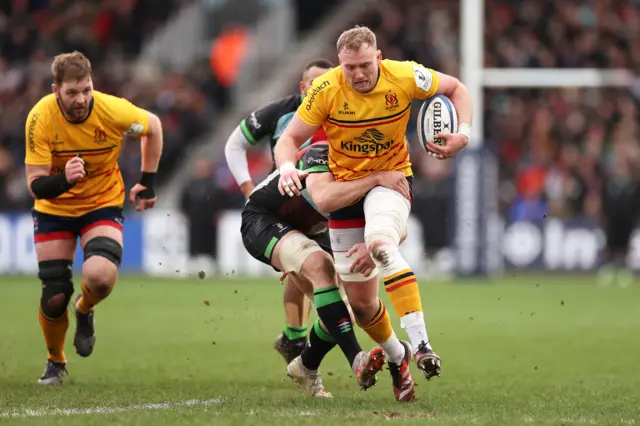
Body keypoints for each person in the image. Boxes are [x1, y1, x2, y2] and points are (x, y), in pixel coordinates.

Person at [274, 26, 473, 386]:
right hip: (346, 190)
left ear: (378, 57)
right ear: (340, 64)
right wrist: (287, 165)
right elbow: (289, 139)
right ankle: (401, 360)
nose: (359, 74)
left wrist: (464, 134)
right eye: (350, 67)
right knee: (363, 306)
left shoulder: (405, 75)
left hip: (392, 179)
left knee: (380, 244)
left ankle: (423, 343)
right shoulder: (325, 89)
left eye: (365, 64)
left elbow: (456, 88)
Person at [24, 51, 164, 385]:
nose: (81, 99)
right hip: (54, 208)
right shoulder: (39, 118)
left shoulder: (111, 110)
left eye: (86, 90)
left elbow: (153, 127)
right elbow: (35, 185)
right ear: (56, 89)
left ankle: (84, 308)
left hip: (101, 201)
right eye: (72, 93)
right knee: (55, 295)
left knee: (100, 276)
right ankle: (55, 361)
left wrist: (148, 180)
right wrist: (64, 180)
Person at [241, 141, 407, 398]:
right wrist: (376, 179)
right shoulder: (322, 152)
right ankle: (357, 359)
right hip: (263, 218)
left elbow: (399, 226)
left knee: (347, 312)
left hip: (313, 232)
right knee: (320, 266)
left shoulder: (380, 165)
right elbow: (324, 199)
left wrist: (373, 244)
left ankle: (305, 366)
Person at [225, 59, 334, 363]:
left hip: (326, 208)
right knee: (302, 271)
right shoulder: (283, 112)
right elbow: (234, 145)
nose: (323, 90)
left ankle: (296, 338)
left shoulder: (345, 109)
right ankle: (297, 340)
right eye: (316, 84)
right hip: (286, 207)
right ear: (303, 87)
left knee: (322, 276)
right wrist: (248, 187)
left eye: (329, 83)